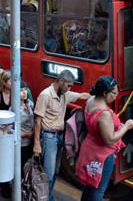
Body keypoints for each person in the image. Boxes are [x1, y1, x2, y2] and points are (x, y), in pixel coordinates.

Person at [76, 76, 133, 201]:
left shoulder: (91, 100)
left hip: (88, 150)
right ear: (104, 93)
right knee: (98, 190)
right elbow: (110, 139)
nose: (116, 95)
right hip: (101, 156)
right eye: (114, 93)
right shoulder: (104, 113)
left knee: (90, 187)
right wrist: (126, 126)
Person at [33, 70, 91, 201]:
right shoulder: (45, 95)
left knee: (56, 172)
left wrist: (96, 93)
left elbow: (82, 95)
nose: (70, 89)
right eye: (68, 85)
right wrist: (37, 144)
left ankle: (49, 197)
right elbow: (37, 120)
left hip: (59, 137)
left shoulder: (66, 94)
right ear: (60, 81)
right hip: (48, 138)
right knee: (48, 172)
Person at [19, 81, 35, 170]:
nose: (24, 92)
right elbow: (7, 130)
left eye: (25, 89)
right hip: (21, 144)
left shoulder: (30, 104)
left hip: (31, 142)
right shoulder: (13, 108)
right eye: (21, 90)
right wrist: (25, 134)